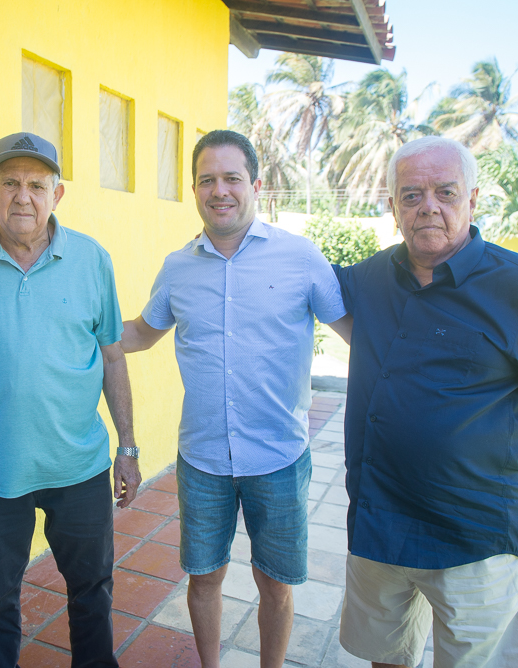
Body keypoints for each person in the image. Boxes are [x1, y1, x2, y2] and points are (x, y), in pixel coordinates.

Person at [334, 136, 518, 668]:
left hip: (473, 536)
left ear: (473, 199)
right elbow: (296, 279)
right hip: (378, 522)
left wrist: (493, 440)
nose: (428, 206)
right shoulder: (368, 279)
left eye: (445, 191)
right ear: (393, 206)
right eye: (411, 194)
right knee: (385, 658)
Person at [120, 130, 351, 668]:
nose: (219, 190)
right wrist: (75, 326)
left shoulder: (300, 257)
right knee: (204, 579)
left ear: (256, 186)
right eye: (207, 180)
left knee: (276, 586)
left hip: (279, 457)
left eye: (232, 178)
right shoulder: (178, 267)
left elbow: (355, 333)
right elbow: (139, 334)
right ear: (194, 190)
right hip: (203, 459)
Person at [0, 132, 141, 668]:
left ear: (58, 194)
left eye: (37, 185)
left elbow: (113, 356)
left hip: (78, 464)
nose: (23, 196)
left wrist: (127, 446)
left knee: (92, 589)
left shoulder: (92, 259)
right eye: (10, 183)